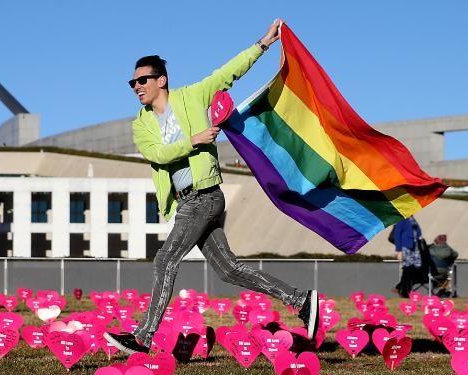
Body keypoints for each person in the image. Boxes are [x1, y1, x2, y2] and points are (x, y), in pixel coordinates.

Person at [104, 19, 320, 355]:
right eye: (132, 82)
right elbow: (156, 154)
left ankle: (143, 336)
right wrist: (193, 141)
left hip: (204, 197)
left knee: (164, 261)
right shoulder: (141, 123)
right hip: (187, 200)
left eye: (142, 79)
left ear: (161, 81)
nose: (136, 85)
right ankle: (301, 299)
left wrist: (263, 43)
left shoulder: (192, 97)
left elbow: (229, 72)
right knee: (228, 270)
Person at [393, 216, 422, 298]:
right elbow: (397, 234)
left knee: (413, 269)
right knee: (408, 268)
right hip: (406, 247)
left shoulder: (412, 219)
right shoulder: (401, 219)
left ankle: (400, 287)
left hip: (414, 247)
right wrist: (399, 250)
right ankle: (405, 291)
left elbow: (418, 232)